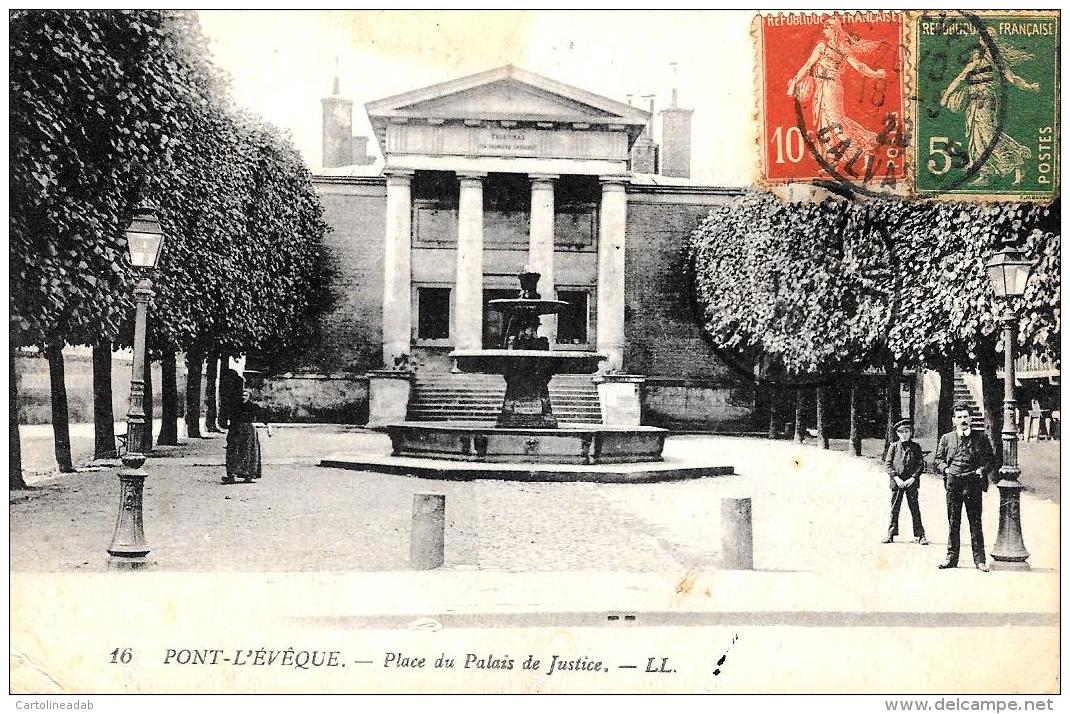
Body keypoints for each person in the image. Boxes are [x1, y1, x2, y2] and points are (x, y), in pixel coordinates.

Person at [787, 17, 888, 161]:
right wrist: (875, 73)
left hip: (827, 88)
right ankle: (832, 158)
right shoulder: (843, 49)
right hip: (831, 87)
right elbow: (859, 67)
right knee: (827, 121)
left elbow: (808, 65)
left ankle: (862, 151)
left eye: (826, 28)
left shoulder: (822, 47)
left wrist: (793, 84)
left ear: (832, 29)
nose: (824, 31)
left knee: (832, 122)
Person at [940, 43, 1039, 186]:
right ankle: (985, 173)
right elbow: (961, 79)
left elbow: (960, 79)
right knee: (976, 137)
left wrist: (945, 97)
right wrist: (1029, 87)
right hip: (974, 104)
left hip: (984, 102)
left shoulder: (988, 62)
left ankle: (1017, 160)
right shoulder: (987, 62)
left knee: (988, 135)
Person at [933, 402, 996, 571]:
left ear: (971, 418)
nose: (963, 420)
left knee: (975, 522)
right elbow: (937, 460)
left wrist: (980, 471)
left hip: (973, 485)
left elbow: (991, 460)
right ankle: (951, 558)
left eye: (966, 417)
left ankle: (979, 560)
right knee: (953, 522)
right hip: (953, 485)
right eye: (959, 417)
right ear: (954, 420)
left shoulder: (981, 438)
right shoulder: (946, 438)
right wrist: (945, 469)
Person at [883, 418, 928, 545]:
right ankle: (890, 534)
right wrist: (896, 478)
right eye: (901, 432)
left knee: (914, 508)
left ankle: (920, 535)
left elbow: (920, 465)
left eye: (906, 431)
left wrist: (913, 478)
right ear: (897, 433)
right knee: (894, 508)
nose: (904, 434)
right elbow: (887, 464)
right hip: (897, 483)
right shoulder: (893, 447)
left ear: (910, 433)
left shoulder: (916, 447)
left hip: (911, 483)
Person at [223, 386, 271, 484]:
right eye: (242, 395)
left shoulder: (253, 406)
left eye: (246, 395)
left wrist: (269, 428)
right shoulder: (235, 406)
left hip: (248, 432)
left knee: (249, 452)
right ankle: (231, 475)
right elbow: (228, 417)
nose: (243, 397)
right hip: (235, 430)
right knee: (233, 451)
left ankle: (248, 475)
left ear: (249, 397)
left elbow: (263, 416)